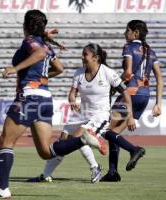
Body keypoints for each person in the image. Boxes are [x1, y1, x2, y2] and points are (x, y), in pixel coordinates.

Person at [0, 10, 105, 199]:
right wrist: (42, 76)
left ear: (26, 25)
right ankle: (82, 140)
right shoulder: (46, 45)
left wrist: (15, 68)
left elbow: (39, 53)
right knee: (47, 152)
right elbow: (60, 68)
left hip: (29, 97)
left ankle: (2, 188)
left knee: (5, 142)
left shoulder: (33, 42)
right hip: (45, 98)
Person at [27, 43, 137, 184]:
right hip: (81, 114)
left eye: (85, 54)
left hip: (99, 115)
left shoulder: (108, 72)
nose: (82, 57)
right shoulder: (79, 73)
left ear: (95, 57)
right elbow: (72, 94)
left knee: (79, 137)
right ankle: (45, 175)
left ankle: (95, 167)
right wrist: (72, 101)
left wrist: (130, 116)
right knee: (63, 141)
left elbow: (126, 93)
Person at [100, 20, 163, 182]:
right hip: (144, 96)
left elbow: (128, 73)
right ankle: (113, 173)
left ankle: (134, 149)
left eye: (127, 30)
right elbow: (159, 78)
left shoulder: (129, 47)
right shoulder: (151, 51)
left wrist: (114, 86)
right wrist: (158, 103)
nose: (124, 33)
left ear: (135, 33)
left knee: (106, 130)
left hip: (130, 93)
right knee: (114, 134)